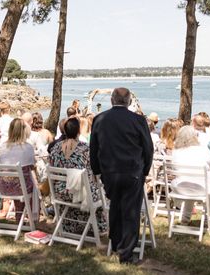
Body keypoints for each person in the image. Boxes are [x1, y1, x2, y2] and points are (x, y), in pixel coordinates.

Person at [90, 87, 153, 264]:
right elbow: (148, 149)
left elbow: (93, 148)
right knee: (130, 213)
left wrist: (97, 171)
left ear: (112, 100)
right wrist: (145, 171)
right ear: (129, 101)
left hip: (109, 173)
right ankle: (126, 254)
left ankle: (116, 243)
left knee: (116, 207)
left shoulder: (99, 119)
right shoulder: (138, 120)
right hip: (132, 172)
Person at [48, 117, 107, 234]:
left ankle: (70, 225)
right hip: (79, 194)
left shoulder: (55, 148)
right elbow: (94, 171)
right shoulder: (85, 149)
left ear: (64, 131)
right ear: (78, 131)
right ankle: (97, 227)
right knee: (103, 193)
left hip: (60, 193)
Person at [171, 125, 210, 227]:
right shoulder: (202, 150)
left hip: (181, 188)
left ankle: (185, 219)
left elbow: (174, 170)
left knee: (190, 184)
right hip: (202, 188)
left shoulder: (176, 152)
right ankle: (209, 218)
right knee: (205, 181)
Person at [0, 118, 37, 222]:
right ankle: (33, 216)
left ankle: (19, 215)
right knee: (30, 183)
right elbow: (32, 166)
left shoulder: (3, 146)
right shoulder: (27, 147)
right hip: (20, 187)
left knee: (19, 180)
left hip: (4, 187)